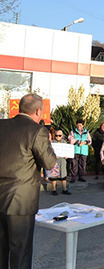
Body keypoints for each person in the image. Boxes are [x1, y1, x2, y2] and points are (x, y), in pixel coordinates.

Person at [0, 94, 57, 268]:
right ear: (39, 110)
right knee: (20, 250)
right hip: (20, 200)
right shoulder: (37, 131)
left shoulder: (2, 125)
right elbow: (49, 162)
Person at [68, 118, 92, 183]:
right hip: (75, 150)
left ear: (83, 125)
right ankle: (73, 177)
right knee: (74, 164)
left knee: (82, 164)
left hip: (83, 151)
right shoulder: (73, 131)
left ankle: (81, 176)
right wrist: (78, 142)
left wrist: (84, 142)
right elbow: (70, 140)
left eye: (80, 125)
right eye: (78, 125)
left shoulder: (86, 132)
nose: (79, 127)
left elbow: (89, 141)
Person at [49, 130, 71, 195]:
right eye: (56, 135)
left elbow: (68, 151)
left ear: (62, 136)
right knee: (53, 175)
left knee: (63, 175)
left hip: (62, 161)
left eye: (59, 135)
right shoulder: (52, 143)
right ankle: (54, 189)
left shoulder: (64, 143)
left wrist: (67, 156)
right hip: (54, 161)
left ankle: (64, 189)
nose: (58, 137)